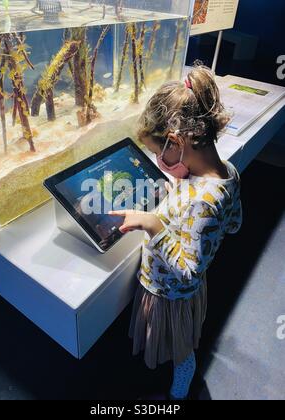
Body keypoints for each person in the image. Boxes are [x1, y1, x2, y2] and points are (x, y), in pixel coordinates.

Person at [109, 64, 243, 400]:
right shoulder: (227, 173)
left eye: (157, 153)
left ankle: (182, 381)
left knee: (178, 346)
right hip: (180, 289)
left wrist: (155, 223)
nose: (158, 161)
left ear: (175, 142)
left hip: (171, 294)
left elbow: (187, 270)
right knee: (172, 340)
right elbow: (233, 223)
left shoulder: (202, 201)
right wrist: (179, 196)